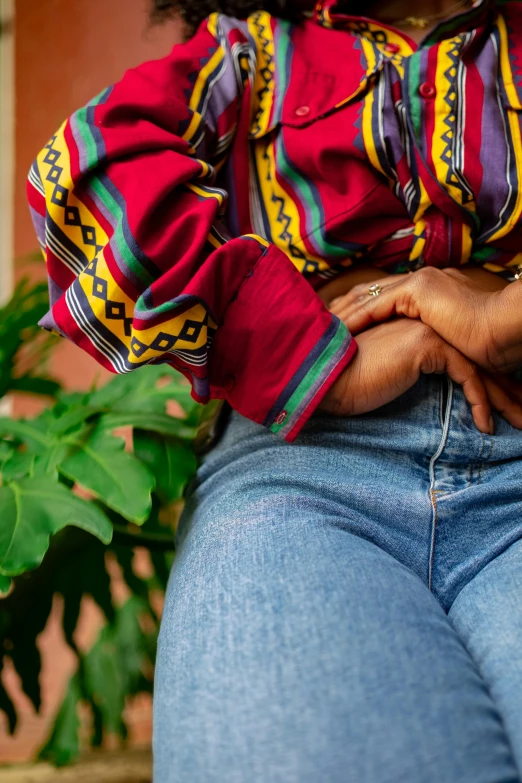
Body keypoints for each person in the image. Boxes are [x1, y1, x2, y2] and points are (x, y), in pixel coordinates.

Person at [27, 0, 522, 779]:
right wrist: (305, 355)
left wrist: (504, 314)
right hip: (301, 468)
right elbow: (92, 171)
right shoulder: (248, 51)